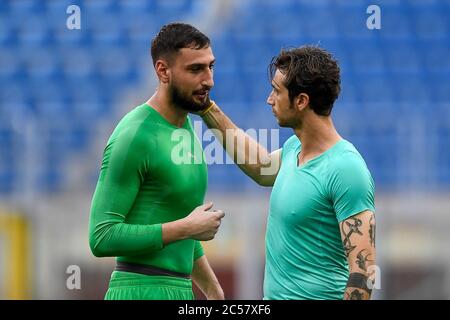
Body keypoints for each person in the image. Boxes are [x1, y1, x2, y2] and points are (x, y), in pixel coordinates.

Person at [200, 46, 376, 300]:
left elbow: (365, 270)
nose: (269, 99)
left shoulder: (346, 168)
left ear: (301, 101)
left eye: (276, 91)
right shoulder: (295, 148)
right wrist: (207, 110)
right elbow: (261, 167)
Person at [88, 22, 225, 300]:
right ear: (163, 71)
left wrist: (213, 291)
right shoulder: (135, 134)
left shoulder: (186, 129)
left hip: (180, 290)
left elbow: (178, 220)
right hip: (139, 288)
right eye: (195, 69)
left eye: (210, 66)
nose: (209, 79)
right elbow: (101, 237)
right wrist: (187, 228)